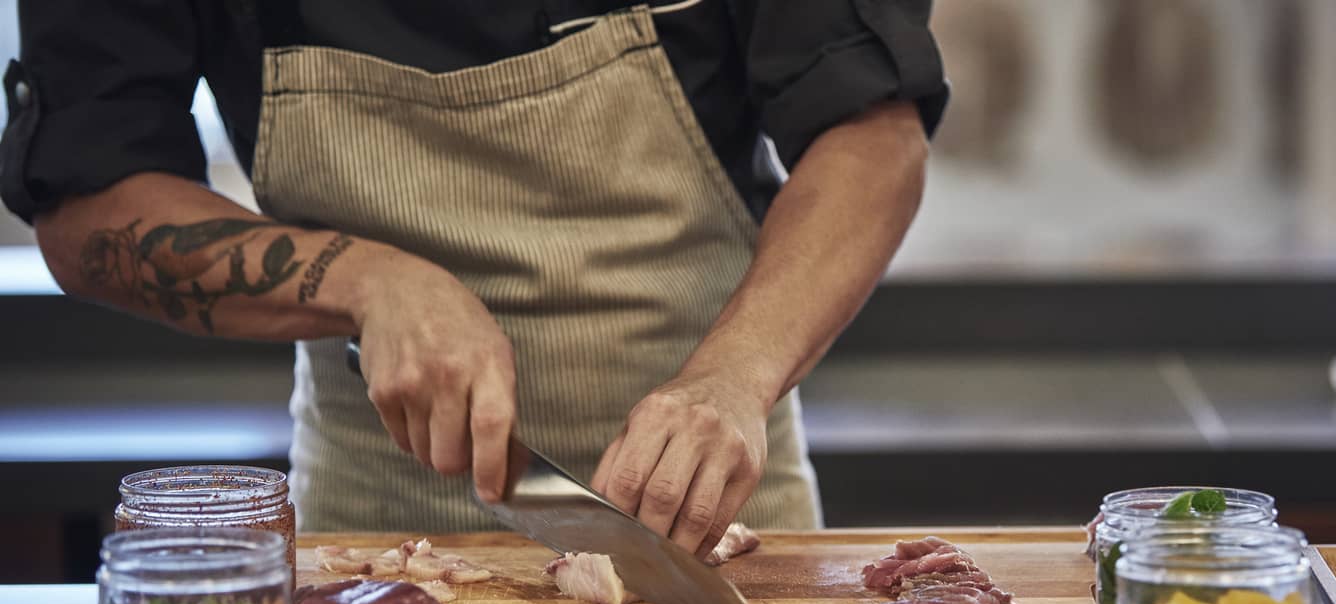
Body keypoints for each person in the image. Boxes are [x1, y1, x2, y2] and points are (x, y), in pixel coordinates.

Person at [1, 0, 945, 559]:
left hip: (719, 525)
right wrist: (362, 279)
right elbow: (88, 201)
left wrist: (732, 377)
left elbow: (872, 133)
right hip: (372, 538)